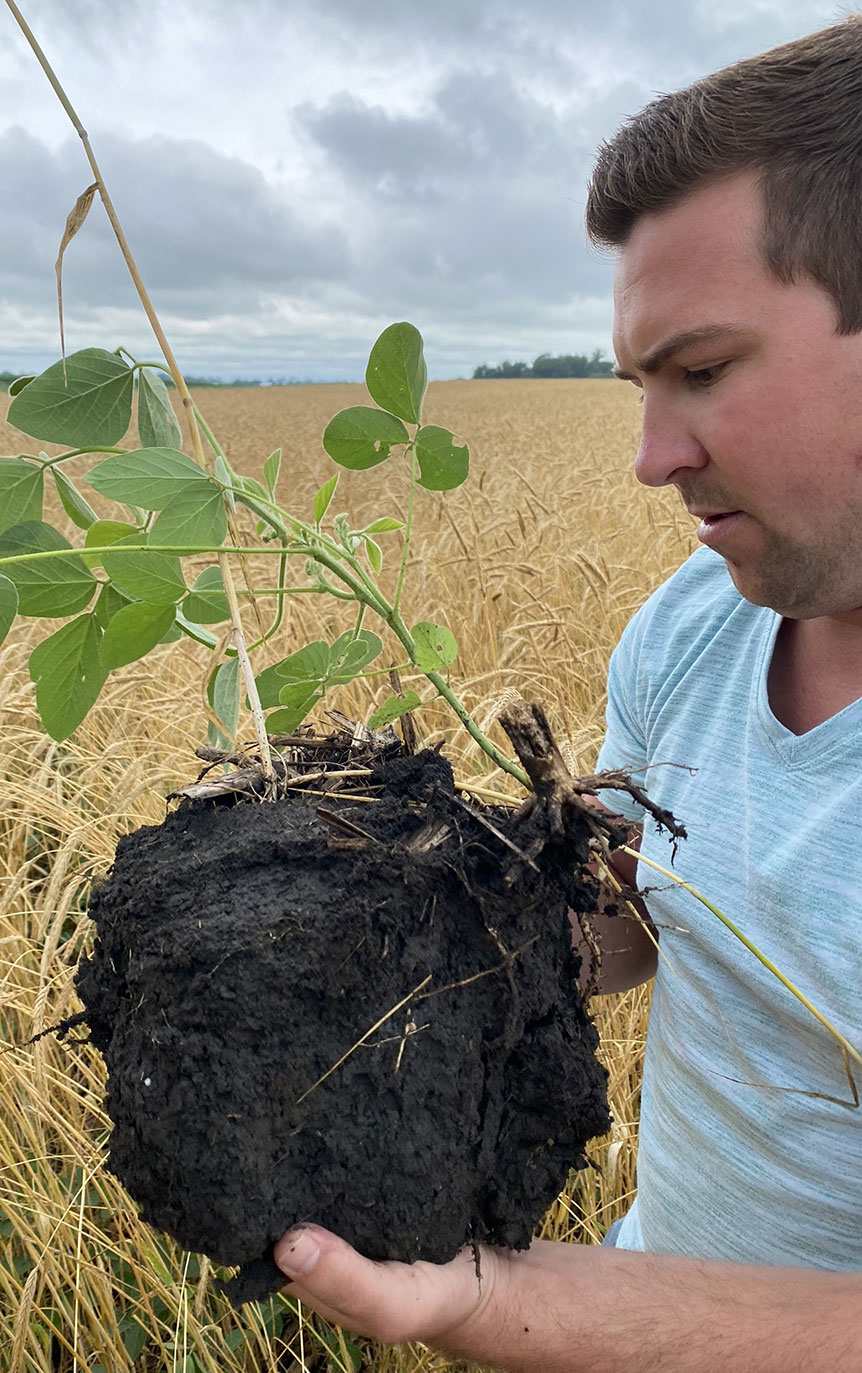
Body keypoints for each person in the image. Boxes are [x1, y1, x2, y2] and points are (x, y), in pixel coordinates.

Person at [272, 17, 862, 1370]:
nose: (652, 459)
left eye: (702, 370)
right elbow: (637, 919)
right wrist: (412, 919)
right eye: (638, 386)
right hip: (649, 1277)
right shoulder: (694, 624)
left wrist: (502, 1302)